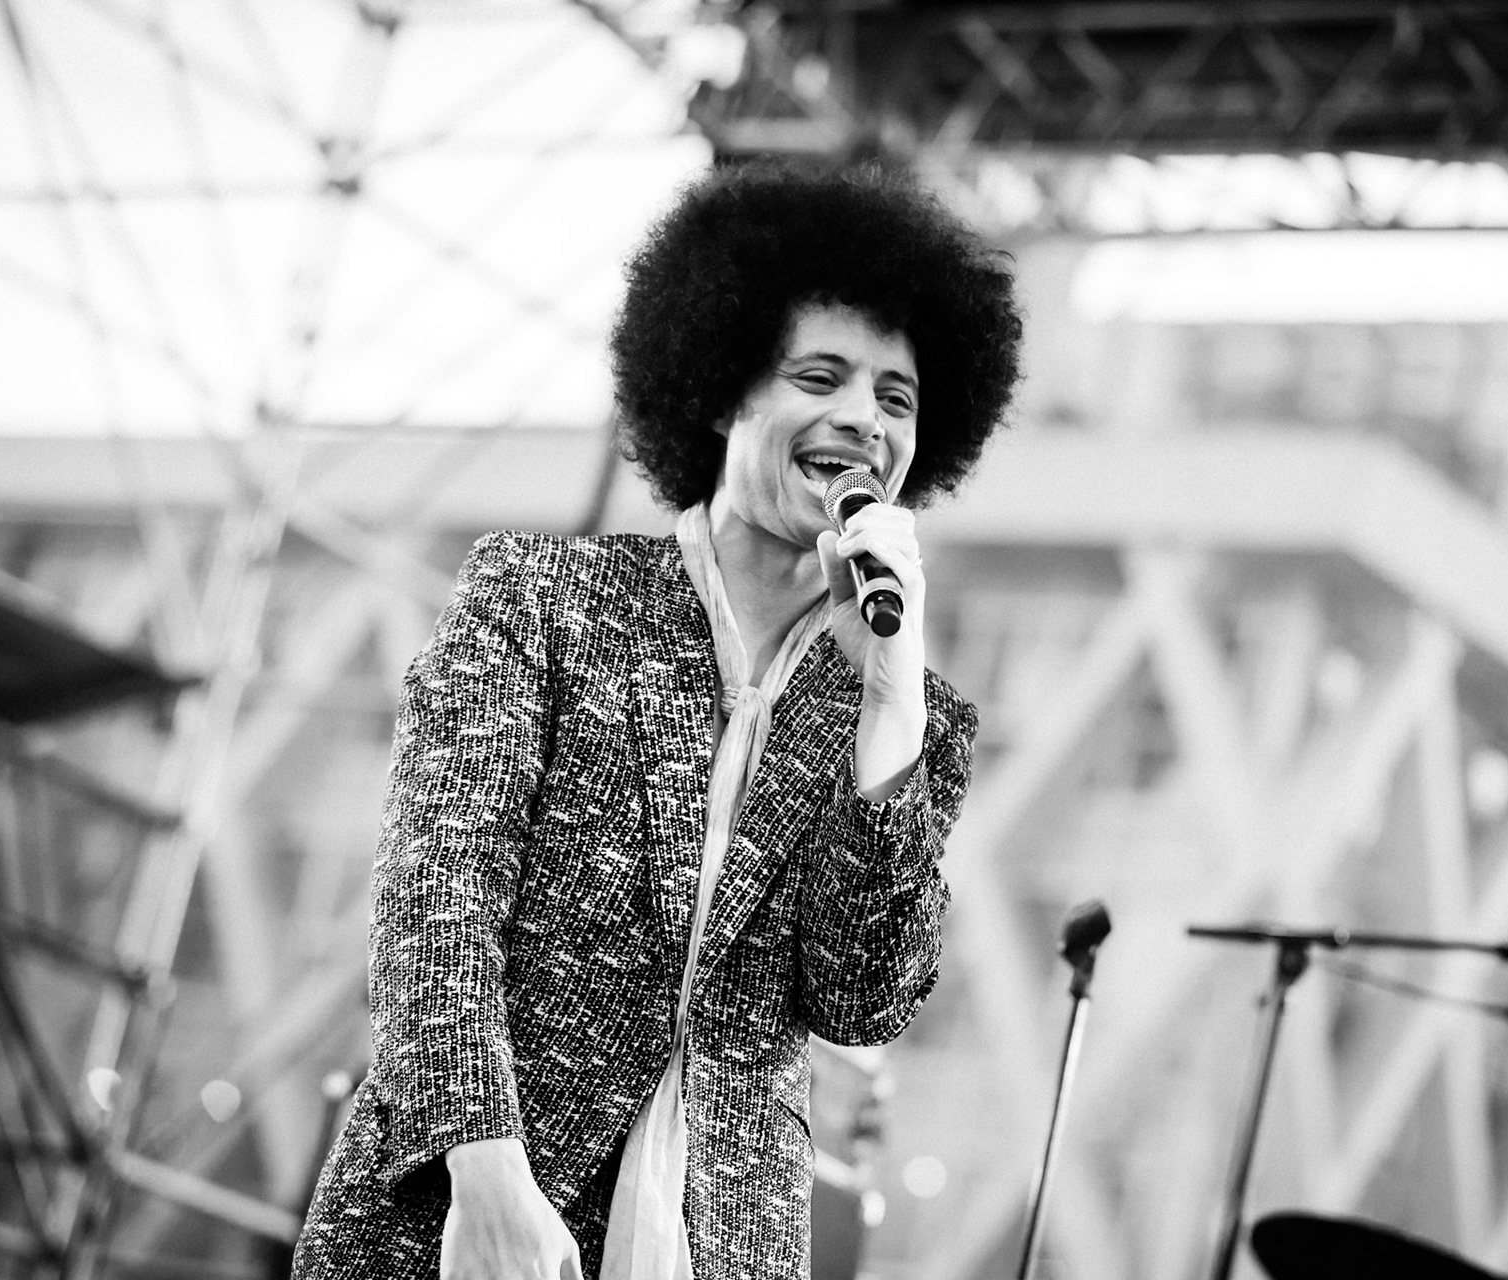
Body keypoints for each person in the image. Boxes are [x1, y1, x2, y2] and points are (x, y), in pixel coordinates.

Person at [290, 160, 1022, 1280]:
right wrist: (487, 1178)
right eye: (819, 375)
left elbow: (865, 996)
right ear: (724, 386)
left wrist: (890, 689)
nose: (860, 419)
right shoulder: (540, 595)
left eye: (895, 396)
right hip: (464, 1219)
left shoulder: (914, 714)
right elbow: (436, 898)